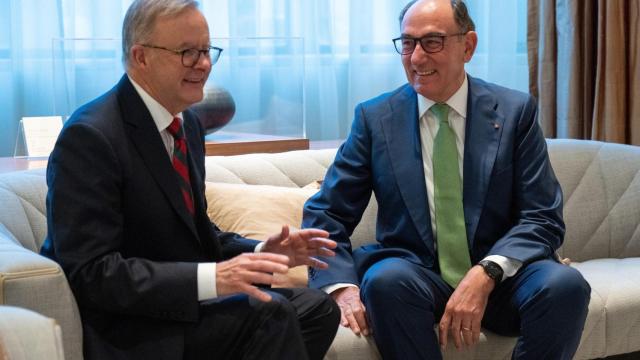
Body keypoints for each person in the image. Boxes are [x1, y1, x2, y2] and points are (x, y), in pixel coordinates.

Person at [40, 0, 340, 359]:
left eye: (206, 50)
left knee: (318, 308)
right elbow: (92, 273)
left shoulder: (187, 124)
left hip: (184, 308)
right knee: (271, 315)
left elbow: (195, 231)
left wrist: (262, 253)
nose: (204, 64)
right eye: (187, 52)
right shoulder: (91, 136)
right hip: (130, 325)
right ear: (141, 57)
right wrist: (213, 279)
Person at [302, 0, 591, 359]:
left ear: (467, 46)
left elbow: (542, 217)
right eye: (407, 43)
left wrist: (486, 273)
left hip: (501, 280)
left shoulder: (516, 112)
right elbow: (327, 214)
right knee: (385, 281)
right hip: (415, 277)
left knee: (565, 285)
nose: (416, 58)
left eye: (432, 42)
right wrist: (340, 287)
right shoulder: (376, 119)